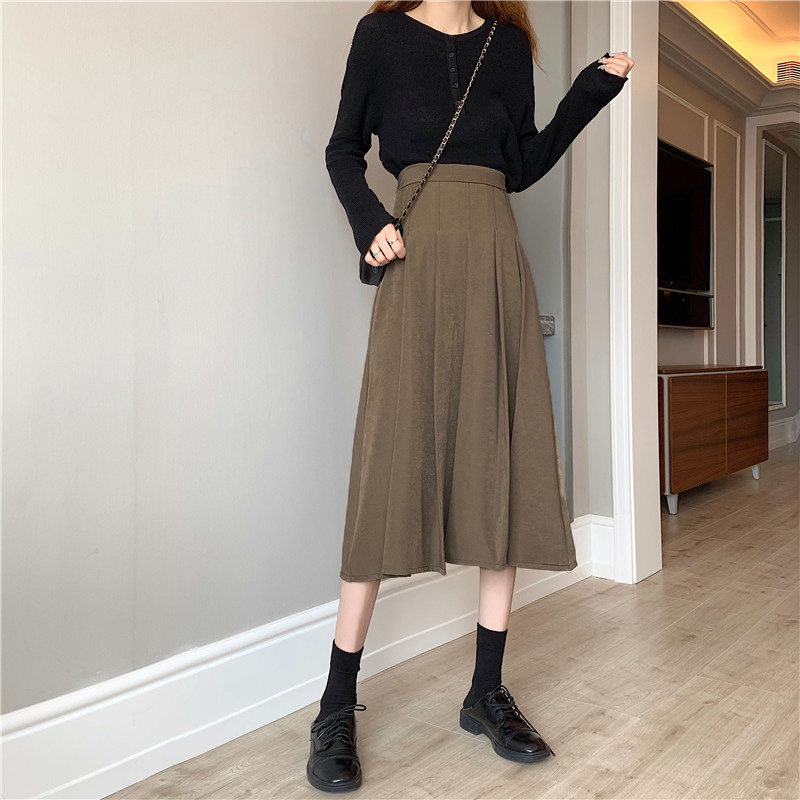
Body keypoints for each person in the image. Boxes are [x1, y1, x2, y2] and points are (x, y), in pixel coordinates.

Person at [308, 1, 634, 792]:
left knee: (500, 456)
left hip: (494, 256)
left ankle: (486, 691)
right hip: (415, 262)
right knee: (388, 466)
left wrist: (589, 94)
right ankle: (335, 705)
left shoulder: (509, 46)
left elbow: (521, 164)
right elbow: (343, 149)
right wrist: (368, 221)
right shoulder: (381, 36)